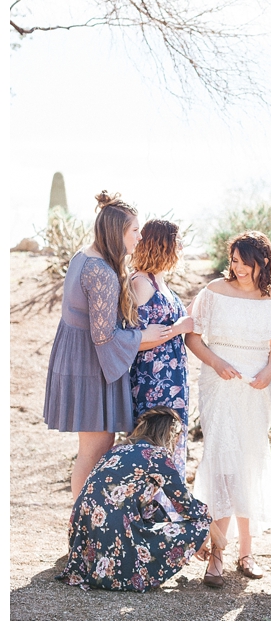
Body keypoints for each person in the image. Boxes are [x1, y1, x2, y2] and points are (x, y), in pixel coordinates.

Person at [43, 191, 168, 501]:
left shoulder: (83, 256)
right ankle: (83, 532)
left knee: (91, 450)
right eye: (135, 230)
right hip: (91, 365)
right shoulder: (101, 273)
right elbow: (104, 337)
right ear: (117, 233)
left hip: (78, 358)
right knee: (95, 450)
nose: (140, 237)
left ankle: (82, 529)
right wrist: (147, 335)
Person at [185, 231, 271, 587]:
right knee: (220, 460)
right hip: (220, 382)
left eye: (245, 262)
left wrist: (270, 368)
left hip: (256, 385)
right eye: (234, 261)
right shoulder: (214, 290)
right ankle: (216, 555)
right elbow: (193, 336)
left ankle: (246, 553)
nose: (238, 268)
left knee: (249, 459)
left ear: (263, 263)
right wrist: (216, 363)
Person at [57, 407, 213, 592]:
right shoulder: (157, 456)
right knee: (201, 523)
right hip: (116, 543)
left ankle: (102, 568)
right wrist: (205, 536)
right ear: (170, 434)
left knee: (153, 509)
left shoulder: (117, 450)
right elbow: (188, 507)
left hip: (85, 547)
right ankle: (128, 570)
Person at [130, 219, 194, 478]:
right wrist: (179, 328)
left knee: (172, 444)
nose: (180, 246)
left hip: (174, 379)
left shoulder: (160, 281)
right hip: (153, 379)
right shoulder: (141, 282)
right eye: (177, 241)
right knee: (155, 447)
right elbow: (136, 340)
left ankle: (168, 512)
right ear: (163, 244)